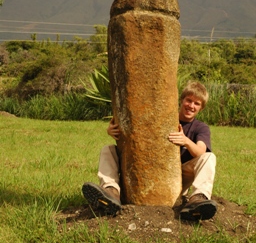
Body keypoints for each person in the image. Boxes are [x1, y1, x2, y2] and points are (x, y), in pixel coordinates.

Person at [82, 81, 217, 221]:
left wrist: (185, 141)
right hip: (147, 170)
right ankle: (111, 192)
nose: (191, 106)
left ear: (201, 108)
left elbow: (201, 152)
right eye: (188, 100)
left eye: (197, 103)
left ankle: (197, 199)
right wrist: (113, 130)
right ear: (181, 100)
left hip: (180, 177)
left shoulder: (200, 128)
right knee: (108, 149)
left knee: (209, 157)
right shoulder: (162, 117)